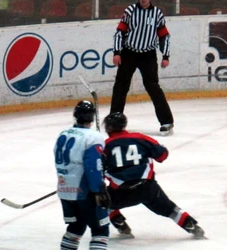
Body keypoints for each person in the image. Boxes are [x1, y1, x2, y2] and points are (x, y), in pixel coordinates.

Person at [102, 112, 205, 239]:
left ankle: (119, 222)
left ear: (109, 128)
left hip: (121, 193)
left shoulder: (104, 145)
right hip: (148, 189)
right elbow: (162, 155)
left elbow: (98, 170)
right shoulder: (140, 138)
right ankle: (190, 225)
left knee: (101, 202)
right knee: (170, 209)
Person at [111, 0, 174, 135]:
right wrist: (117, 52)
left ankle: (166, 121)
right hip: (129, 53)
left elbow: (164, 36)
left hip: (148, 55)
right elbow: (119, 32)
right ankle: (114, 121)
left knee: (153, 87)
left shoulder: (157, 14)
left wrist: (166, 56)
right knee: (121, 86)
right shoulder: (130, 11)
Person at [54, 100, 110, 250]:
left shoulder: (63, 134)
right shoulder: (93, 137)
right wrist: (97, 190)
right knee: (100, 229)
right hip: (85, 192)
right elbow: (93, 166)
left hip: (64, 190)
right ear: (92, 118)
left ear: (75, 116)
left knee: (76, 227)